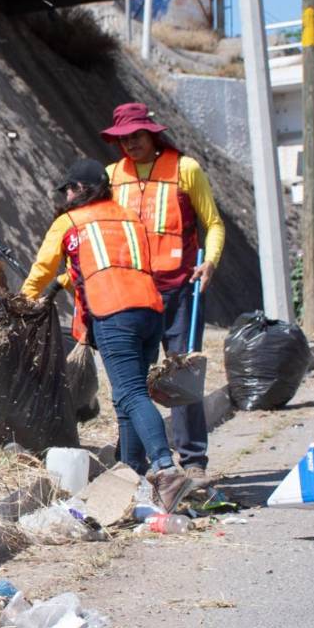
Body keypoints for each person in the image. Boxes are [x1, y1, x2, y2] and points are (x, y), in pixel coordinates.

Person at [17, 160, 190, 514]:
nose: (65, 194)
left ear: (82, 189)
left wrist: (22, 303)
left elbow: (43, 268)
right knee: (127, 400)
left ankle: (165, 469)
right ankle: (132, 474)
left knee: (131, 394)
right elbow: (111, 263)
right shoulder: (130, 218)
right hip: (149, 311)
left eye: (69, 187)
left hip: (114, 313)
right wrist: (64, 283)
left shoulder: (70, 222)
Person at [98, 102, 225, 485]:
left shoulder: (186, 170)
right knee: (133, 379)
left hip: (179, 290)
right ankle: (135, 461)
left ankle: (193, 459)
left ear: (152, 133)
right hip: (131, 294)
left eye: (136, 135)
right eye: (123, 138)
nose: (130, 144)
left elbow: (213, 223)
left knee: (182, 375)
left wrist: (211, 262)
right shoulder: (110, 177)